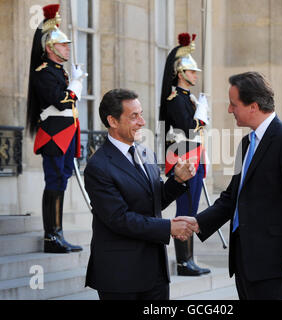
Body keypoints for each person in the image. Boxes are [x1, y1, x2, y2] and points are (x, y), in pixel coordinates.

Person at [177, 72, 282, 300]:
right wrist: (199, 222)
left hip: (274, 264)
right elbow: (233, 197)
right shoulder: (246, 143)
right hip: (244, 262)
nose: (229, 110)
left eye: (234, 104)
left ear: (253, 106)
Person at [84, 88, 199, 300]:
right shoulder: (98, 166)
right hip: (121, 276)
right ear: (113, 121)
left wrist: (177, 180)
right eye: (134, 116)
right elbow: (119, 219)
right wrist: (168, 227)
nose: (142, 122)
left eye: (141, 114)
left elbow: (154, 201)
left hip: (155, 272)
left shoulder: (146, 153)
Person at [26, 4, 87, 253]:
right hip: (53, 135)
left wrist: (72, 83)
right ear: (50, 48)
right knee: (53, 181)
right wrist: (74, 85)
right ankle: (51, 236)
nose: (67, 48)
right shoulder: (44, 72)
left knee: (61, 181)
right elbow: (60, 100)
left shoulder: (58, 72)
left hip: (66, 134)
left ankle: (58, 232)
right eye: (63, 45)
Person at [159, 33, 210, 276]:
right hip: (183, 155)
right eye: (191, 72)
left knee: (191, 208)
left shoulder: (187, 99)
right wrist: (200, 114)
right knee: (185, 209)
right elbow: (188, 129)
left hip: (194, 154)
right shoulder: (175, 99)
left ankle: (188, 258)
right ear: (180, 73)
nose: (195, 75)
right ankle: (183, 261)